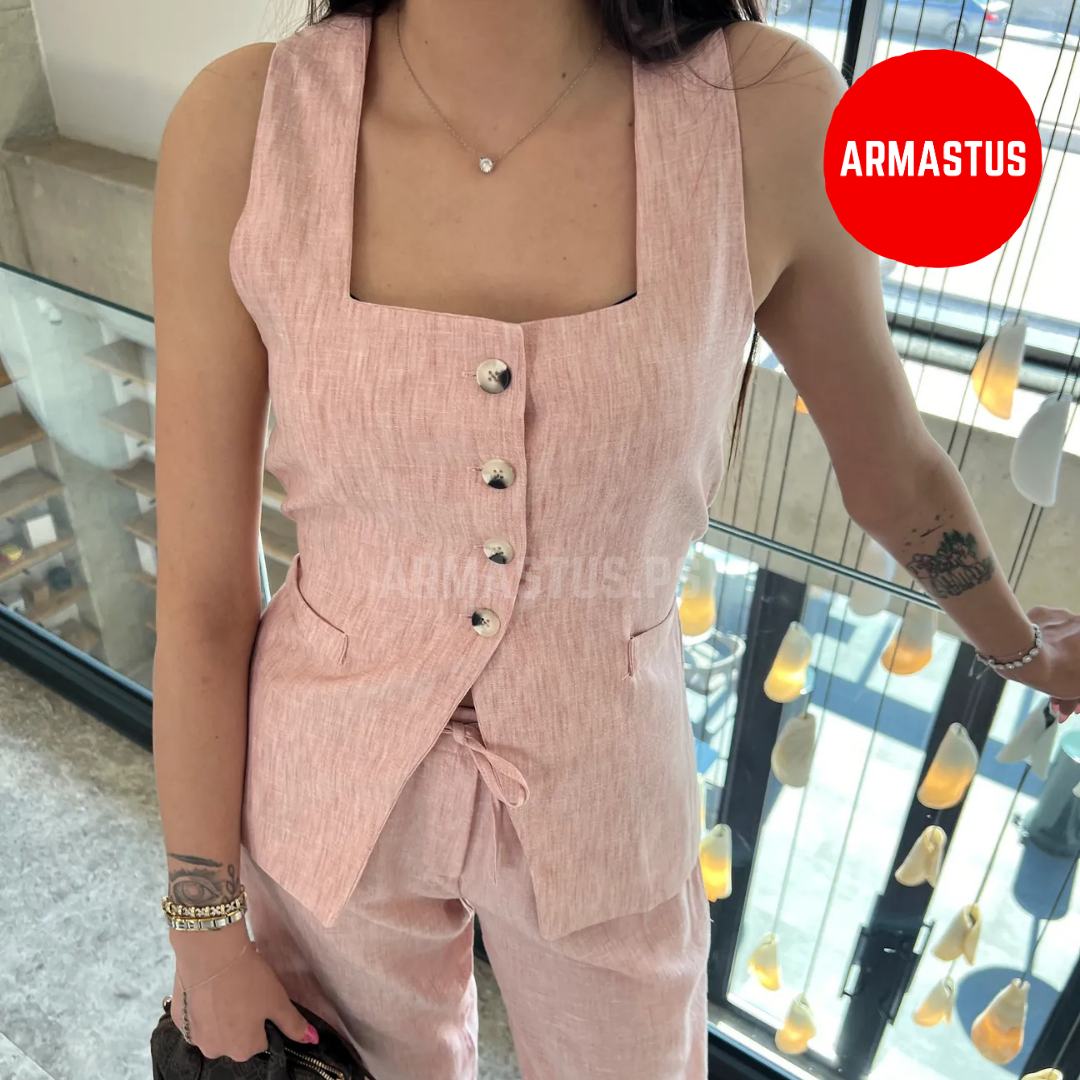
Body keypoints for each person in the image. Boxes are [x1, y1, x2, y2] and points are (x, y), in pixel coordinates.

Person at [150, 1, 1080, 1077]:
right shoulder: (246, 124)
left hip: (609, 796)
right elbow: (206, 593)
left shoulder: (768, 112)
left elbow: (892, 466)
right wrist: (204, 931)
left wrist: (1023, 649)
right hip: (317, 801)